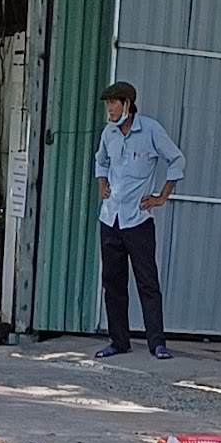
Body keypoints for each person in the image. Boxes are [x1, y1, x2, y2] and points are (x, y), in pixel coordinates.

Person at [93, 81, 185, 361]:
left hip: (138, 221)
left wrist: (161, 197)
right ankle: (119, 341)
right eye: (107, 103)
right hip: (110, 219)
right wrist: (102, 184)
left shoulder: (150, 130)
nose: (109, 109)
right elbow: (101, 162)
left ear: (128, 104)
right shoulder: (109, 133)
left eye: (114, 103)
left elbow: (176, 160)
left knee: (147, 282)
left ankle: (157, 343)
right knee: (113, 283)